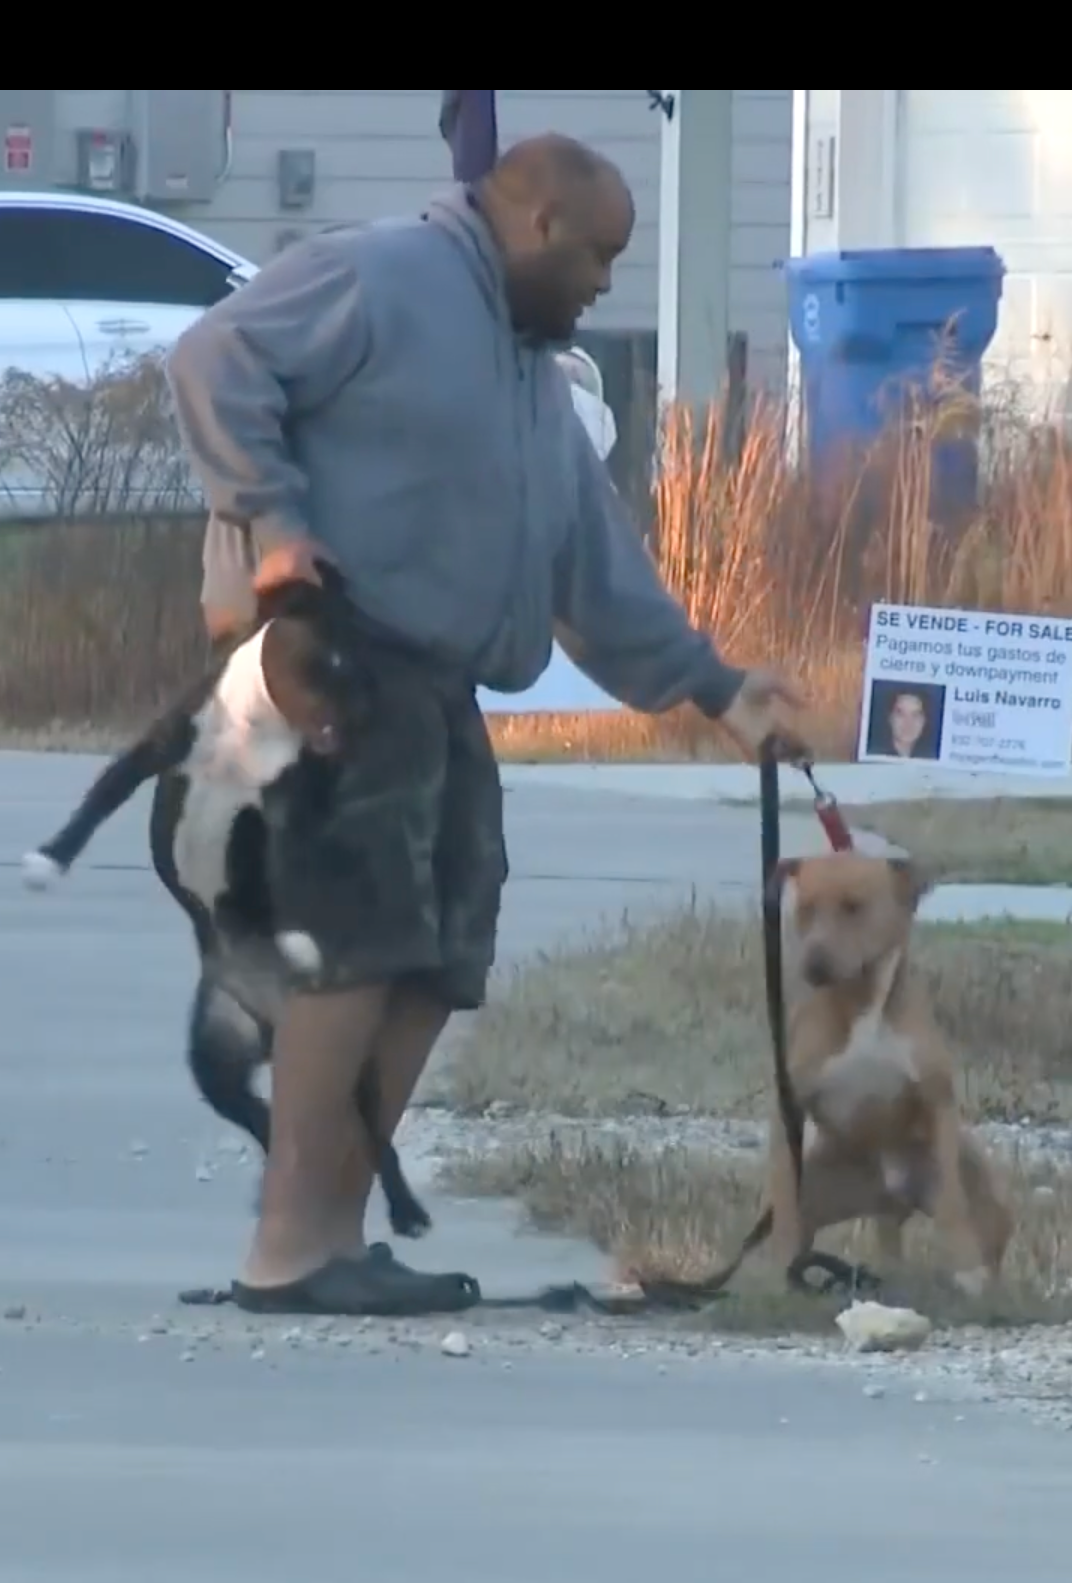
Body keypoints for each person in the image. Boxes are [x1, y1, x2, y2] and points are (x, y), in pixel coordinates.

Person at [164, 132, 810, 1317]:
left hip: (444, 690)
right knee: (357, 945)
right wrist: (270, 518)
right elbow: (214, 357)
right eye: (601, 255)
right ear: (540, 224)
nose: (609, 282)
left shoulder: (527, 372)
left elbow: (591, 563)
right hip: (346, 662)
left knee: (438, 954)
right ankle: (287, 1251)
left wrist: (716, 686)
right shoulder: (381, 274)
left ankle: (337, 1238)